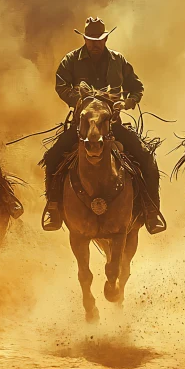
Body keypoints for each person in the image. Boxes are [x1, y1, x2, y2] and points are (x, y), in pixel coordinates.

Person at [42, 17, 166, 234]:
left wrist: (127, 102)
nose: (94, 43)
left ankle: (151, 210)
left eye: (98, 39)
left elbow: (136, 87)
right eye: (90, 39)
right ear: (84, 39)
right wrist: (81, 102)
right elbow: (61, 85)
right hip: (82, 126)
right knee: (53, 158)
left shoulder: (118, 60)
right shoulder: (71, 60)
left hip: (112, 125)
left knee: (146, 157)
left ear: (106, 38)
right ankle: (53, 207)